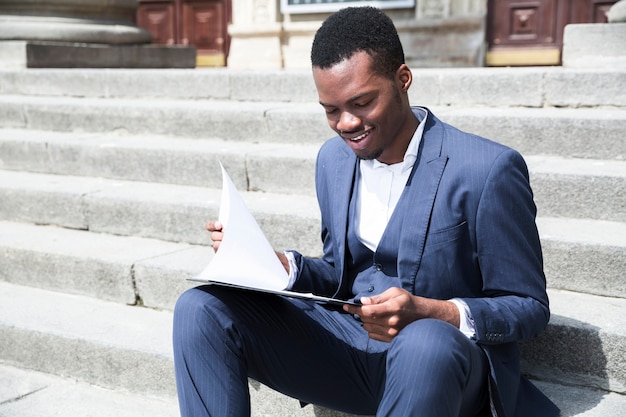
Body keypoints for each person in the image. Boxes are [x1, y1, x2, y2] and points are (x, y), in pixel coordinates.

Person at [173, 6, 560, 417]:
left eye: (362, 102)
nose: (346, 123)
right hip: (350, 351)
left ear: (403, 80)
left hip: (441, 366)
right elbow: (342, 273)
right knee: (200, 309)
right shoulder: (333, 161)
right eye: (331, 109)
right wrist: (280, 266)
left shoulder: (486, 170)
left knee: (425, 342)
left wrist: (436, 312)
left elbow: (528, 306)